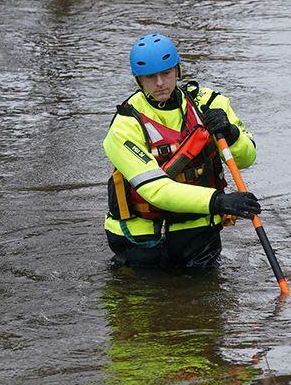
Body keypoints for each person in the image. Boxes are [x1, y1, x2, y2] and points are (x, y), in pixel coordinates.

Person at [103, 33, 261, 269]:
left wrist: (230, 134)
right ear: (139, 80)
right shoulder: (124, 125)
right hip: (141, 241)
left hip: (197, 234)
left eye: (166, 73)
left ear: (178, 71)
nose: (159, 83)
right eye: (150, 77)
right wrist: (218, 201)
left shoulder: (209, 103)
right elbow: (156, 190)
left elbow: (248, 158)